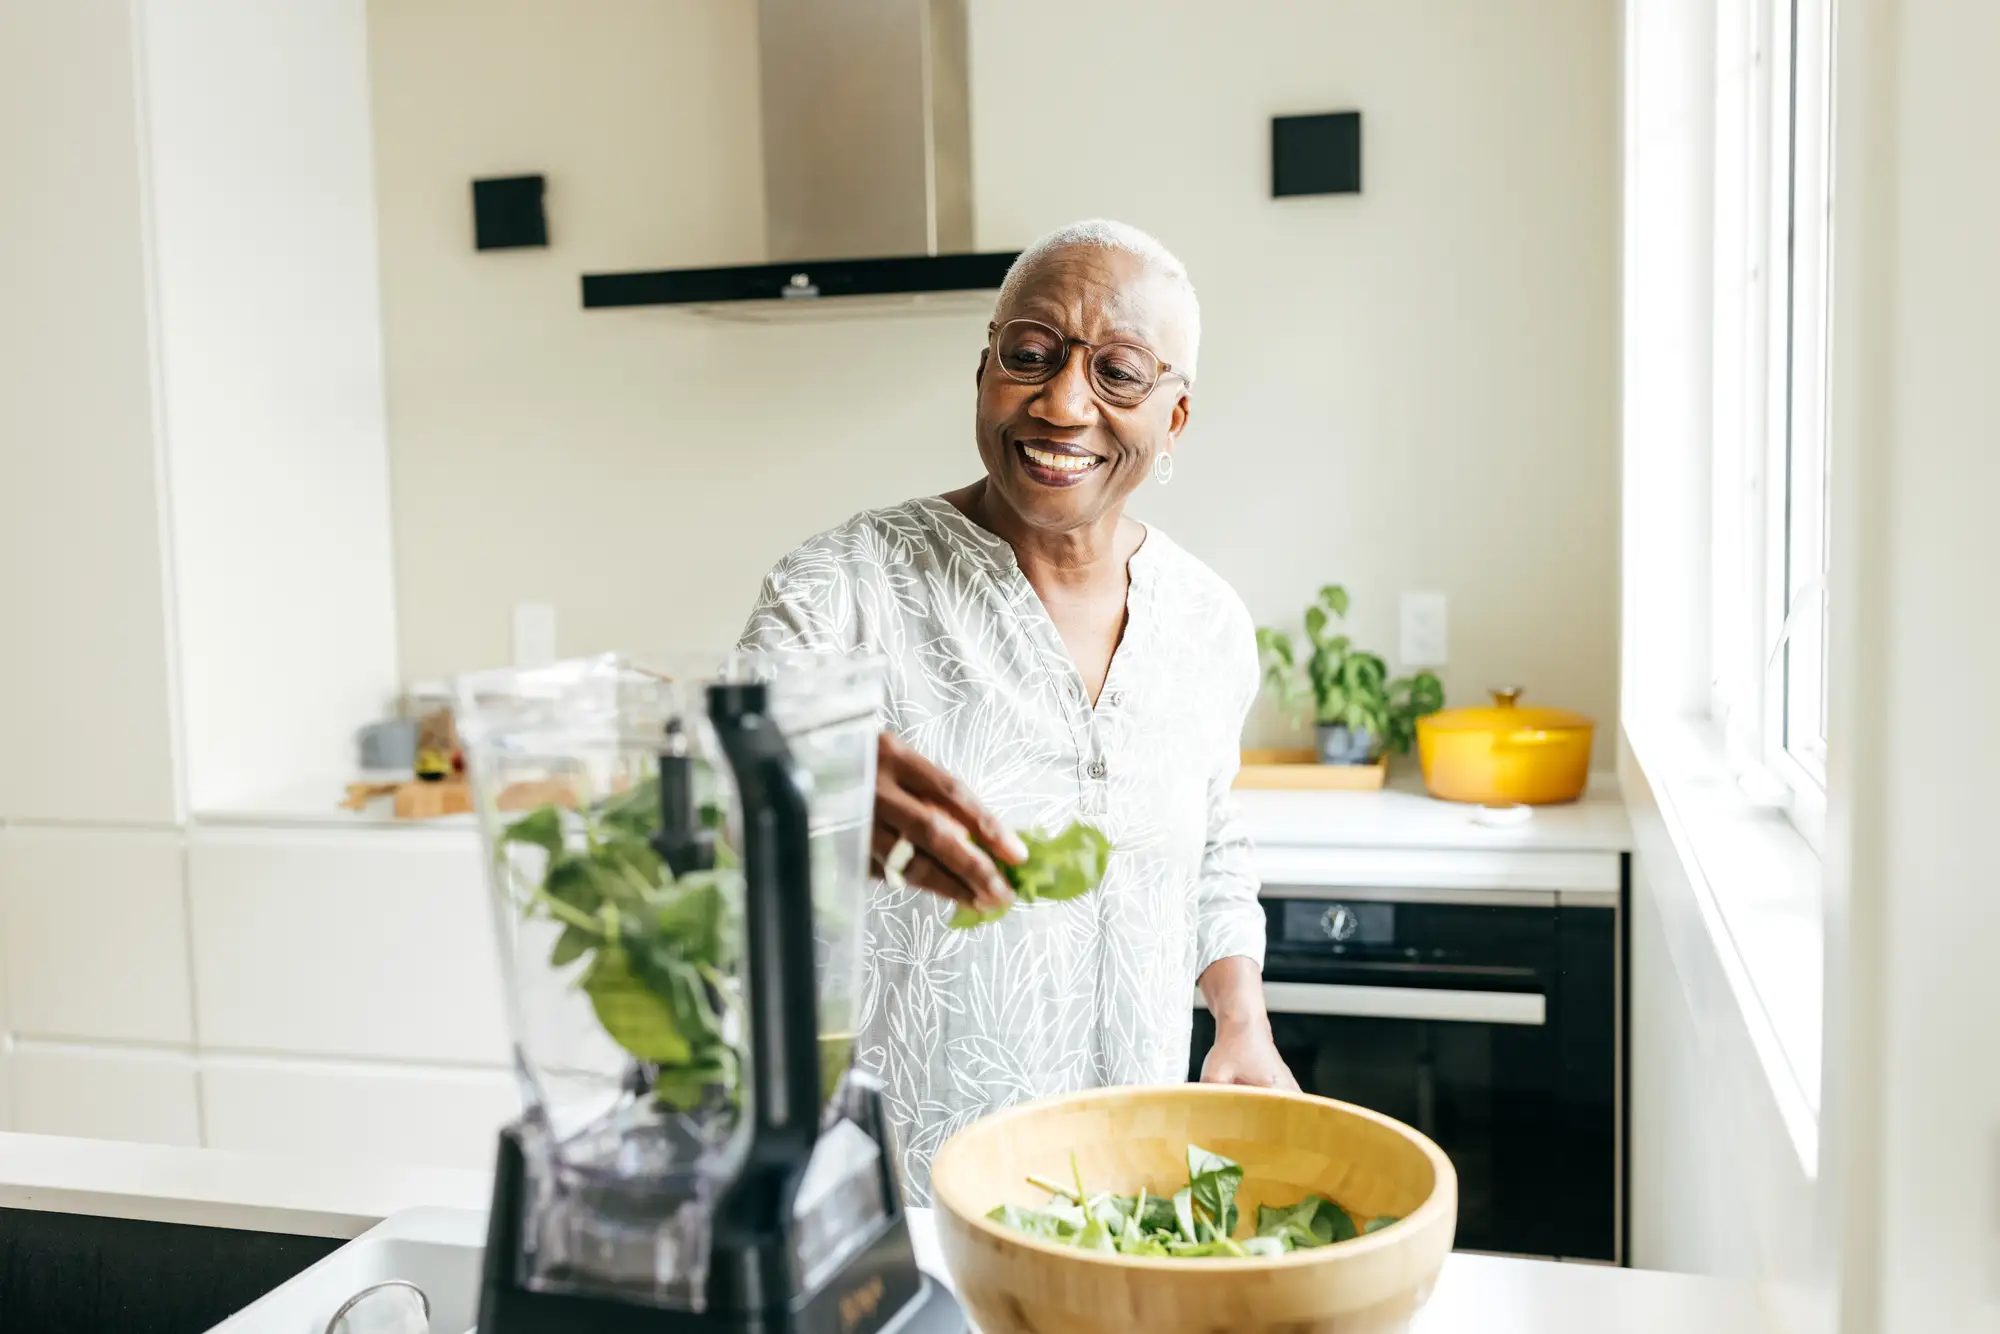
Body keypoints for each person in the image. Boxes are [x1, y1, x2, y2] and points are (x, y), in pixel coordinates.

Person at [738, 219, 1295, 1202]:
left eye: (1117, 371)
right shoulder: (841, 589)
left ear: (1173, 420)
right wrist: (797, 780)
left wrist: (1239, 1015)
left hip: (1126, 1192)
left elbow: (1209, 841)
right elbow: (717, 792)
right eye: (1028, 354)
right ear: (984, 368)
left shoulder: (1206, 622)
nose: (1062, 402)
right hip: (898, 1203)